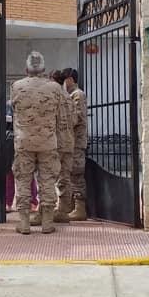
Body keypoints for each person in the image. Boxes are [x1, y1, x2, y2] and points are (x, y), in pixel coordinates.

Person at [10, 52, 63, 234]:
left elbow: (13, 109)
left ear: (26, 69)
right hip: (48, 142)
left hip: (24, 142)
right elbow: (62, 115)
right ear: (44, 70)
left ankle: (24, 222)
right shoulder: (55, 87)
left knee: (23, 180)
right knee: (48, 181)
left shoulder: (17, 86)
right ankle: (47, 222)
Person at [48, 68, 74, 223]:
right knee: (65, 178)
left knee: (49, 177)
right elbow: (75, 120)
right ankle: (63, 211)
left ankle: (47, 211)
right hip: (69, 142)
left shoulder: (52, 96)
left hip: (55, 141)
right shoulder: (68, 96)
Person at [62, 67, 89, 221]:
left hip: (76, 142)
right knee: (71, 173)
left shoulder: (77, 95)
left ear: (70, 79)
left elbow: (76, 118)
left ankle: (80, 208)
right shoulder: (70, 95)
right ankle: (71, 205)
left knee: (77, 173)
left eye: (65, 79)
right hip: (70, 141)